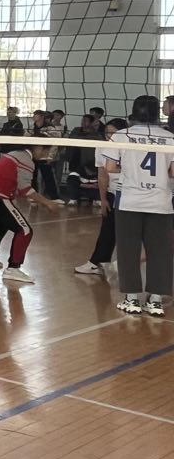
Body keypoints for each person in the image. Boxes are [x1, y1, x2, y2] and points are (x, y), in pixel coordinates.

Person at [104, 95, 174, 316]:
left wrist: (130, 170)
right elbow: (173, 172)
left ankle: (132, 299)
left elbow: (109, 168)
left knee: (128, 251)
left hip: (130, 201)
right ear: (157, 113)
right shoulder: (169, 137)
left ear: (134, 112)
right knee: (159, 252)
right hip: (160, 202)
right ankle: (155, 301)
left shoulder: (121, 135)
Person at [0, 144, 63, 284]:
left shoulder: (15, 153)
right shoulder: (26, 159)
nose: (46, 155)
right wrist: (48, 202)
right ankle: (13, 268)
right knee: (25, 231)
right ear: (38, 147)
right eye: (46, 151)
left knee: (2, 223)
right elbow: (25, 188)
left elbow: (15, 184)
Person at [74, 118, 127, 276]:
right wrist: (103, 199)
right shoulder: (102, 147)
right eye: (107, 133)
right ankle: (98, 263)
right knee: (108, 230)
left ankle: (125, 265)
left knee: (131, 232)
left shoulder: (131, 147)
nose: (109, 136)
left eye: (113, 133)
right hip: (113, 193)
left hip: (131, 193)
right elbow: (102, 174)